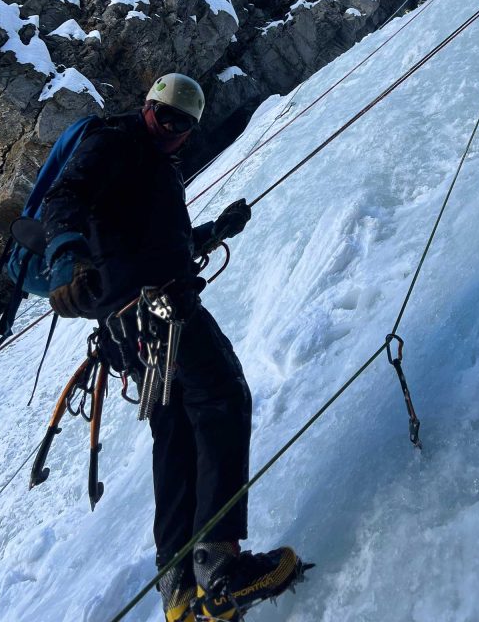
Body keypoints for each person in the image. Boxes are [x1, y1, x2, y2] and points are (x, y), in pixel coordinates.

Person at [40, 73, 303, 622]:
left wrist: (213, 232)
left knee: (177, 431)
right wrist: (67, 258)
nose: (171, 129)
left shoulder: (154, 168)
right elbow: (66, 197)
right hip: (156, 312)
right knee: (223, 396)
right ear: (147, 108)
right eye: (165, 116)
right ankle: (220, 564)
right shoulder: (115, 143)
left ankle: (179, 585)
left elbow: (154, 244)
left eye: (183, 124)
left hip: (131, 325)